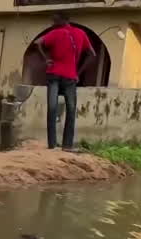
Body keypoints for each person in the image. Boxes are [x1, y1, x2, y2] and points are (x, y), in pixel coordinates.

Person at [35, 14, 96, 151]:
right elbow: (92, 54)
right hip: (70, 77)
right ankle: (67, 146)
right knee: (71, 110)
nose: (53, 23)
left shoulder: (56, 32)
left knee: (52, 109)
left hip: (54, 74)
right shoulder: (81, 33)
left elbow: (37, 43)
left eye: (55, 20)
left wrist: (46, 59)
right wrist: (78, 72)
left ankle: (52, 145)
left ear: (62, 21)